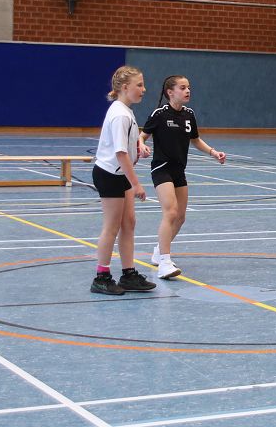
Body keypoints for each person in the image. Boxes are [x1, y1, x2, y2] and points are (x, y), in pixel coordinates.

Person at [142, 76, 226, 280]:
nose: (188, 90)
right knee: (170, 212)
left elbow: (195, 139)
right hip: (161, 168)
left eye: (188, 87)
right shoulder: (159, 114)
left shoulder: (189, 115)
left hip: (179, 170)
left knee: (180, 217)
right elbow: (142, 135)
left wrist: (213, 152)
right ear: (170, 92)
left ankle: (158, 251)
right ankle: (164, 262)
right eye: (182, 87)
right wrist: (141, 144)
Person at [90, 66, 155, 296]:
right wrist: (136, 184)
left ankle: (128, 274)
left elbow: (128, 141)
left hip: (120, 174)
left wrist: (139, 146)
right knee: (112, 226)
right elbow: (120, 153)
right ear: (125, 87)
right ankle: (101, 277)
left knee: (129, 222)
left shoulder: (125, 111)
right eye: (139, 85)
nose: (144, 89)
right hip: (110, 174)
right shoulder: (120, 114)